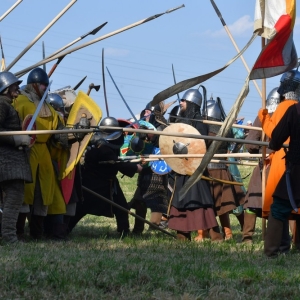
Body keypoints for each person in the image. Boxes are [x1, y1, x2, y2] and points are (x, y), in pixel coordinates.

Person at [13, 67, 77, 240]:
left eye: (46, 86)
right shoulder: (19, 102)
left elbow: (59, 132)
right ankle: (18, 232)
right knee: (24, 192)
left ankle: (37, 233)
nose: (45, 89)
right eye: (42, 85)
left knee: (44, 193)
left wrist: (75, 134)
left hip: (44, 154)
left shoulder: (48, 107)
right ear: (34, 85)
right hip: (25, 151)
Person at [67, 117, 142, 237]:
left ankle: (124, 232)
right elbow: (116, 162)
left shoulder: (104, 144)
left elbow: (115, 160)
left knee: (121, 207)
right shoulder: (103, 148)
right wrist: (135, 168)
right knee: (81, 208)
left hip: (109, 182)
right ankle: (63, 230)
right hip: (94, 184)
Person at [167, 88, 223, 241]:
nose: (181, 103)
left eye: (183, 101)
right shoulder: (181, 121)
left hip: (194, 168)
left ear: (191, 103)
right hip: (181, 169)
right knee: (181, 201)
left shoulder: (199, 123)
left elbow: (200, 145)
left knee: (202, 202)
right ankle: (182, 235)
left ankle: (215, 236)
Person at [258, 69, 300, 257]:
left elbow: (276, 140)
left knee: (280, 206)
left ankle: (272, 252)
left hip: (297, 167)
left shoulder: (294, 110)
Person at [195, 96, 245, 241]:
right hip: (222, 169)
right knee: (222, 205)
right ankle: (228, 233)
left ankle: (202, 234)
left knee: (207, 204)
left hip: (210, 170)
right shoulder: (224, 130)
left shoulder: (208, 131)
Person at [242, 87, 280, 244]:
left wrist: (260, 150)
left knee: (253, 201)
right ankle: (293, 239)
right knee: (284, 203)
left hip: (266, 165)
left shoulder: (263, 117)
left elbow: (250, 144)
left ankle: (247, 238)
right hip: (283, 166)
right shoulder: (289, 115)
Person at [0, 71, 32, 243]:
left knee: (8, 202)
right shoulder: (1, 104)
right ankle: (9, 237)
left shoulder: (6, 104)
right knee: (13, 201)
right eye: (14, 85)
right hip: (8, 163)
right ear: (5, 88)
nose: (17, 88)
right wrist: (16, 138)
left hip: (9, 162)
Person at [129, 102, 169, 234]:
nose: (146, 114)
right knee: (140, 199)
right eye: (145, 111)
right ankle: (138, 229)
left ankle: (154, 228)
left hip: (157, 168)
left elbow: (162, 142)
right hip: (146, 166)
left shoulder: (162, 126)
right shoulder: (142, 125)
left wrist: (150, 134)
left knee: (156, 200)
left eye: (148, 112)